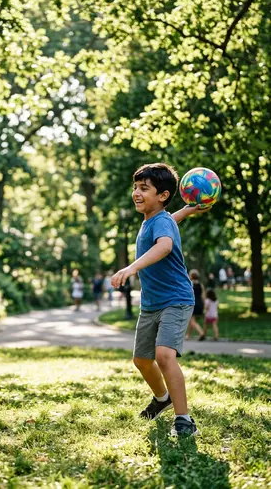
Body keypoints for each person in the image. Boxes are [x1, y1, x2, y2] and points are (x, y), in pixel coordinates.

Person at [111, 163, 209, 437]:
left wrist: (131, 268)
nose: (137, 193)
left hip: (176, 299)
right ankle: (162, 398)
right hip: (151, 303)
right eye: (135, 188)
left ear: (162, 196)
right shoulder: (156, 220)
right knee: (142, 360)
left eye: (144, 188)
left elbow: (164, 245)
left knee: (164, 356)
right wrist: (188, 210)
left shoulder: (160, 222)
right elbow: (168, 221)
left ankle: (184, 419)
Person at [185, 269, 205, 340]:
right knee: (191, 320)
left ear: (191, 276)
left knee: (192, 321)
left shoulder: (189, 284)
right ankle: (188, 335)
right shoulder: (201, 285)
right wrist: (204, 305)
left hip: (192, 304)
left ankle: (201, 333)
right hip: (199, 304)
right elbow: (203, 296)